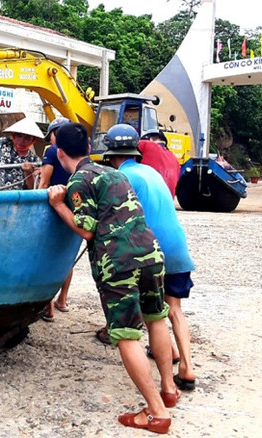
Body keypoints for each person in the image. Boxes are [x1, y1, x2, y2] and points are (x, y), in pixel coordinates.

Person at [47, 122, 177, 434]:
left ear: (59, 152)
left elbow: (86, 229)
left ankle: (157, 413)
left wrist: (58, 204)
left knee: (126, 334)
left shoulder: (79, 180)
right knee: (157, 319)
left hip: (118, 263)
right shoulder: (115, 173)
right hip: (150, 253)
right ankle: (169, 391)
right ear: (89, 149)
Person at [103, 124, 197, 392]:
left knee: (153, 313)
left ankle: (165, 369)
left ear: (111, 155)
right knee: (175, 310)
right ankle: (186, 366)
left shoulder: (122, 177)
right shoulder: (151, 172)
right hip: (178, 246)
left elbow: (119, 218)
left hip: (152, 251)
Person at [38, 117, 72, 322]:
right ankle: (63, 300)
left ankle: (48, 306)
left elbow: (44, 183)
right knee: (66, 256)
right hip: (70, 207)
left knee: (46, 256)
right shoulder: (75, 152)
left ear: (54, 133)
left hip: (53, 207)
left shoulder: (53, 151)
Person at [139, 129, 180, 197]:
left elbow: (128, 145)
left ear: (150, 139)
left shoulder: (148, 145)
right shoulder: (175, 159)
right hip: (168, 203)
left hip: (150, 200)